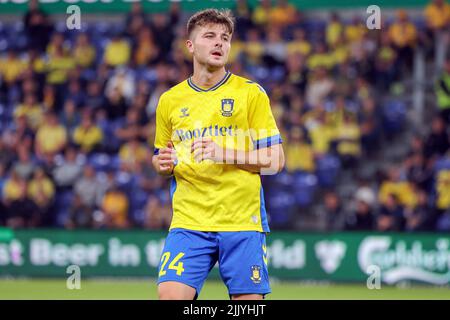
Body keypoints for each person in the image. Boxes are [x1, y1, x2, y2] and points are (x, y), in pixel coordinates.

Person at [152, 9, 285, 300]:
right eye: (209, 36)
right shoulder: (169, 101)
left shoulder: (251, 94)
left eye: (225, 38)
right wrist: (161, 164)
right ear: (190, 45)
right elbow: (161, 155)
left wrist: (224, 153)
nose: (219, 43)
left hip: (241, 222)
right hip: (189, 222)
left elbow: (276, 161)